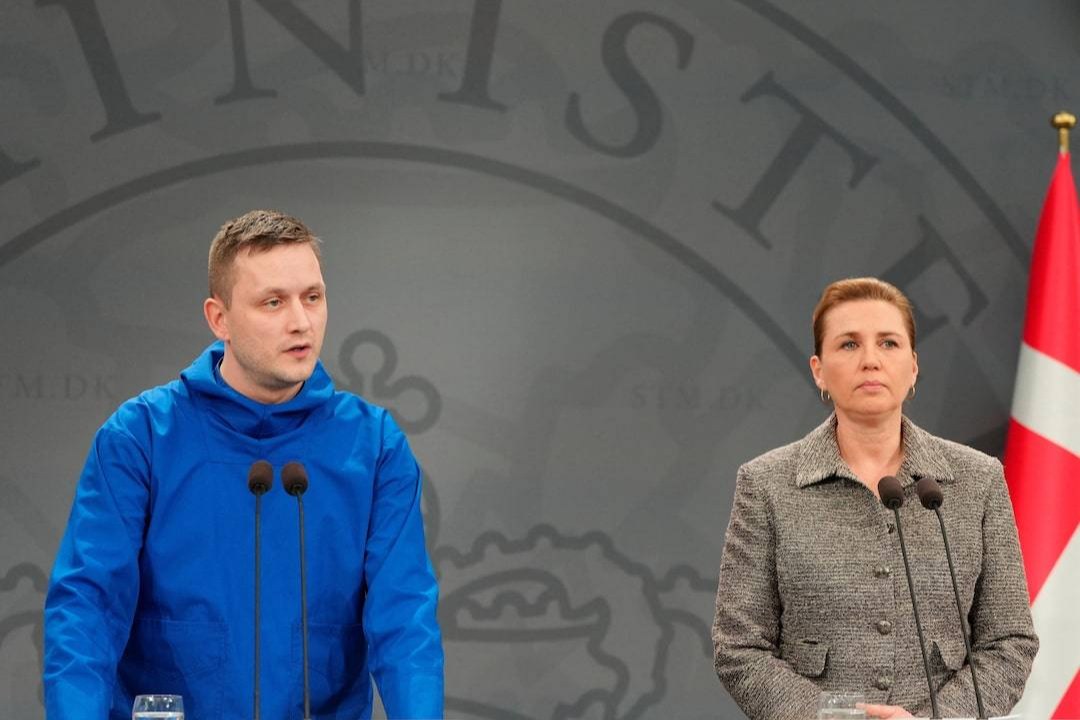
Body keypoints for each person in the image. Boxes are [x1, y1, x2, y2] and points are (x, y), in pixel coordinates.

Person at [43, 210, 444, 719]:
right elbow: (88, 610)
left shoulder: (374, 445)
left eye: (312, 297)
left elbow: (405, 622)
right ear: (220, 319)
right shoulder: (141, 437)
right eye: (273, 302)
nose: (300, 322)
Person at [711, 277, 1037, 720]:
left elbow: (1009, 642)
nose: (870, 360)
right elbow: (739, 647)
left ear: (913, 366)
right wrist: (839, 717)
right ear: (818, 370)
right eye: (849, 344)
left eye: (888, 343)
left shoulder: (977, 480)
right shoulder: (766, 484)